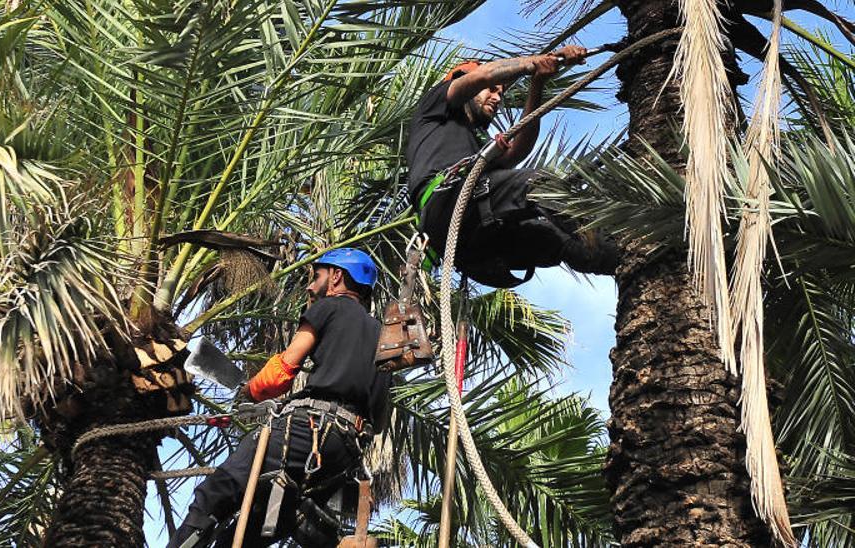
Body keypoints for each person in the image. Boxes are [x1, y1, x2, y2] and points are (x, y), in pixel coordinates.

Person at [168, 248, 391, 548]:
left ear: (337, 277)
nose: (311, 287)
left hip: (307, 431)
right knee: (259, 528)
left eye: (317, 277)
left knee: (219, 490)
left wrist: (250, 391)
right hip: (344, 452)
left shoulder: (329, 307)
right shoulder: (382, 334)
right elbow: (380, 411)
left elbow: (285, 368)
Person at [406, 46, 619, 288]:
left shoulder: (477, 147)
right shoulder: (435, 106)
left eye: (500, 93)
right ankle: (603, 237)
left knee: (551, 238)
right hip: (444, 203)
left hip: (471, 232)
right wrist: (537, 62)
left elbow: (519, 150)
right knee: (537, 183)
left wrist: (537, 83)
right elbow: (484, 75)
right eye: (492, 91)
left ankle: (623, 259)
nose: (497, 98)